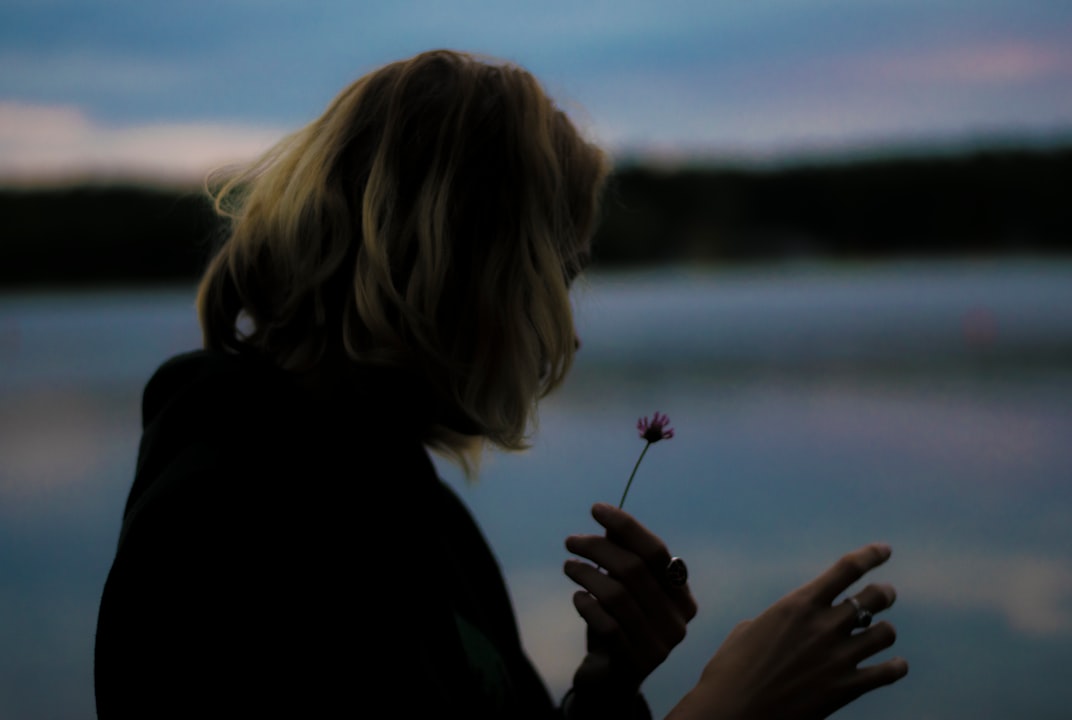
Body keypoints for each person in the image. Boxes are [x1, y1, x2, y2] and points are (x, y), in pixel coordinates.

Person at [94, 49, 907, 718]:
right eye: (556, 273)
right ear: (459, 271)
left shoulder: (411, 506)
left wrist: (608, 686)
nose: (569, 330)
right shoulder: (224, 532)